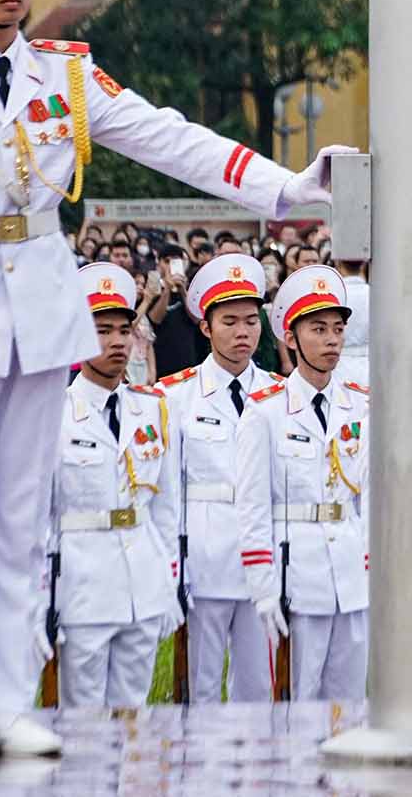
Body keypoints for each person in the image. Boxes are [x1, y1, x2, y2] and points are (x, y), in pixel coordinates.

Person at [0, 0, 345, 760]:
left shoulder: (67, 75)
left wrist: (281, 187)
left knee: (20, 521)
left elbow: (168, 137)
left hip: (42, 314)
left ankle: (9, 699)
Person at [45, 265, 179, 708]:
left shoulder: (152, 411)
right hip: (82, 586)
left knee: (133, 714)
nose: (118, 342)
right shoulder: (53, 415)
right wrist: (43, 596)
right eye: (102, 331)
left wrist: (168, 582)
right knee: (81, 717)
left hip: (141, 582)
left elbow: (165, 510)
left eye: (125, 330)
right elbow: (39, 517)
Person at [235, 265, 369, 702]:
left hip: (349, 576)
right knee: (295, 701)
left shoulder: (360, 406)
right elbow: (252, 504)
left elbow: (369, 496)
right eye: (318, 329)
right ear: (290, 338)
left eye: (337, 328)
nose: (332, 340)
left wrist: (370, 567)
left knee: (347, 702)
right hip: (296, 576)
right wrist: (263, 586)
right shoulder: (265, 411)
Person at [158, 253, 284, 704]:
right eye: (229, 321)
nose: (243, 332)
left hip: (260, 563)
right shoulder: (174, 396)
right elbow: (167, 490)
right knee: (201, 686)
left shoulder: (280, 395)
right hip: (205, 562)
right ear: (206, 327)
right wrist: (174, 565)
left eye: (251, 321)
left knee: (258, 687)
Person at [336, 259, 372, 387]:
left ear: (338, 264)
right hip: (370, 365)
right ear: (363, 265)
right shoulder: (375, 293)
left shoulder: (335, 294)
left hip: (338, 365)